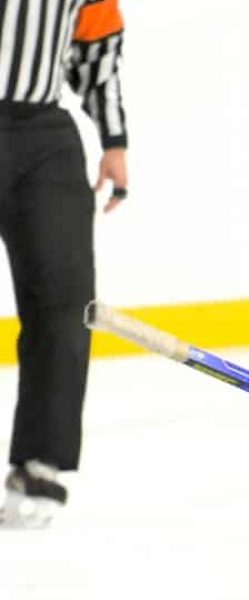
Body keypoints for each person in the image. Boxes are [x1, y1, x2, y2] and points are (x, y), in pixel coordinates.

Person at [0, 0, 129, 528]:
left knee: (64, 301)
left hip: (42, 136)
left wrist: (114, 140)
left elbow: (96, 52)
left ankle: (39, 462)